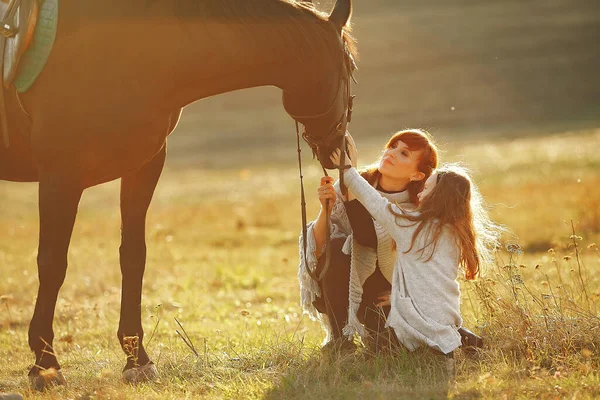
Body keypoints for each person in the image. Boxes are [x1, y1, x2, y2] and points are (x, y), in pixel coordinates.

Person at [329, 140, 501, 357]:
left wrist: (348, 171)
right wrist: (398, 297)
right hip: (446, 320)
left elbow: (376, 203)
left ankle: (424, 345)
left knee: (376, 348)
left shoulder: (410, 226)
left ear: (438, 197)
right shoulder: (454, 234)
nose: (420, 193)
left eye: (426, 189)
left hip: (412, 328)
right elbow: (431, 282)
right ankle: (457, 339)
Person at [298, 129, 439, 353]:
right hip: (339, 284)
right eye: (392, 146)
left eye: (404, 153)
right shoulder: (354, 181)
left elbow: (370, 239)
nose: (391, 153)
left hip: (385, 292)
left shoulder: (414, 209)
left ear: (417, 175)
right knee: (336, 246)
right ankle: (339, 339)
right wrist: (325, 210)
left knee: (385, 349)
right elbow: (317, 247)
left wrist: (403, 296)